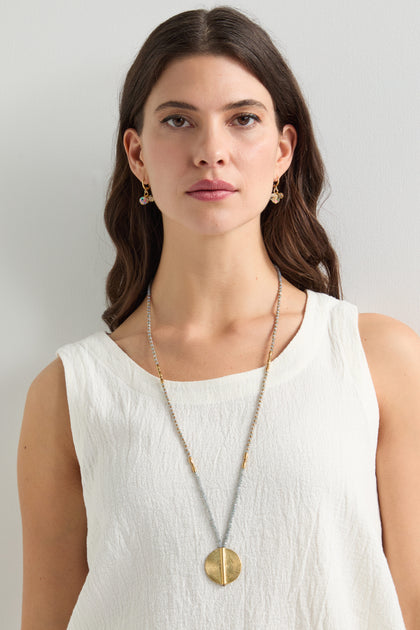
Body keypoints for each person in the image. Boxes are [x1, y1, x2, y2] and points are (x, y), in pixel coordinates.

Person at [17, 6, 420, 630]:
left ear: (284, 149)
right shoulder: (70, 394)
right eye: (178, 120)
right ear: (138, 155)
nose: (211, 151)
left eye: (243, 120)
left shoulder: (376, 359)